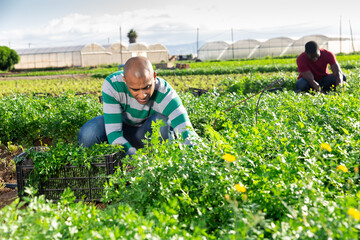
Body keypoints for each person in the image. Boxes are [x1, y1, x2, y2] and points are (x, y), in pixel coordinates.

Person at [78, 56, 197, 157]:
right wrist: (134, 158)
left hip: (145, 133)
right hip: (122, 129)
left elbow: (186, 130)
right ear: (125, 81)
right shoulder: (113, 85)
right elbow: (114, 133)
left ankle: (157, 160)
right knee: (89, 133)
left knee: (160, 123)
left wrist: (198, 154)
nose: (142, 95)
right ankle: (107, 167)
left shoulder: (166, 94)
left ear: (154, 76)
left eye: (147, 87)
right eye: (135, 89)